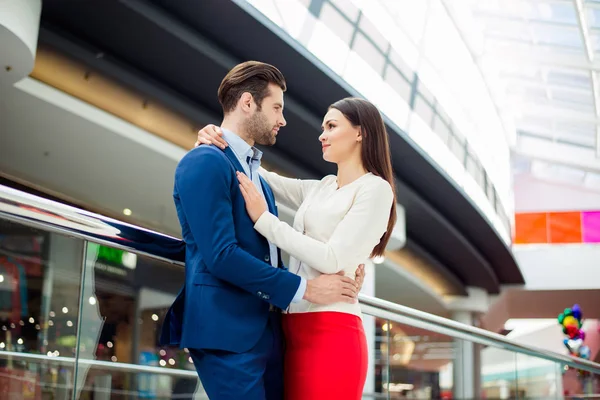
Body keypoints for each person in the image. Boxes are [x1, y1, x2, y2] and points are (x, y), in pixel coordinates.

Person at [159, 61, 366, 400]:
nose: (282, 119)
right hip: (226, 331)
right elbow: (221, 256)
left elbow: (267, 255)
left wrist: (340, 275)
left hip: (267, 329)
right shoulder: (204, 161)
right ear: (247, 103)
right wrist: (307, 289)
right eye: (276, 108)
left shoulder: (259, 179)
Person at [196, 96, 397, 400]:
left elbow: (332, 259)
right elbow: (261, 177)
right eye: (323, 127)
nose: (321, 135)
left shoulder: (376, 189)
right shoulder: (323, 186)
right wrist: (215, 139)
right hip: (291, 330)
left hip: (332, 332)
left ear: (360, 132)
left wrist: (265, 220)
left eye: (331, 126)